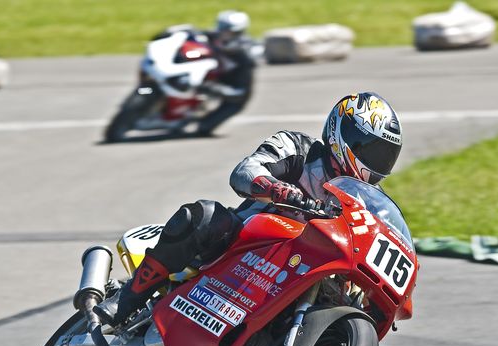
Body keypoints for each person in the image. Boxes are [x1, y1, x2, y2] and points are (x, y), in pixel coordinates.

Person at [94, 91, 403, 326]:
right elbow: (244, 171)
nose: (377, 163)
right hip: (243, 247)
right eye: (372, 151)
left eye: (386, 155)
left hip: (303, 272)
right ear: (344, 136)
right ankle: (127, 299)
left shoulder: (367, 200)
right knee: (203, 216)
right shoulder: (298, 148)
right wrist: (278, 189)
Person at [197, 10, 256, 136]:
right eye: (222, 28)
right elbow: (196, 34)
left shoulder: (245, 53)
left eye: (229, 30)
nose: (223, 33)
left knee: (203, 127)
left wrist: (213, 88)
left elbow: (239, 93)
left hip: (234, 95)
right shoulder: (214, 37)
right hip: (217, 77)